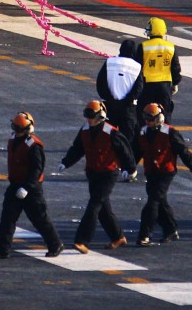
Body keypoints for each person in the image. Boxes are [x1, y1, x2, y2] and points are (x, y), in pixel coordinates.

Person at [57, 101, 136, 253]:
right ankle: (117, 237)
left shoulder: (111, 132)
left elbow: (125, 151)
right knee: (103, 209)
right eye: (86, 115)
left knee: (94, 205)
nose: (88, 119)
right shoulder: (85, 130)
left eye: (91, 115)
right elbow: (77, 149)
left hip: (108, 174)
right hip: (93, 173)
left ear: (100, 116)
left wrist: (130, 169)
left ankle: (82, 240)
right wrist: (66, 162)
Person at [0, 112, 64, 259]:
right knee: (7, 218)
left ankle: (55, 244)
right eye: (14, 128)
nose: (16, 131)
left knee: (39, 218)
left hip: (31, 189)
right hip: (16, 184)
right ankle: (2, 249)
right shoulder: (14, 139)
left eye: (19, 129)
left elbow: (37, 169)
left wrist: (27, 187)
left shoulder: (34, 146)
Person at [132, 103, 192, 247]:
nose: (148, 122)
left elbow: (182, 150)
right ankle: (171, 229)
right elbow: (137, 151)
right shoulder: (143, 132)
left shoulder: (170, 132)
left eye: (151, 118)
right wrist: (130, 167)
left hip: (165, 172)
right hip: (151, 171)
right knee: (160, 201)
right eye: (146, 118)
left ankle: (145, 235)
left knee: (152, 202)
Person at [96, 39, 144, 144]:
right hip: (128, 108)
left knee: (106, 137)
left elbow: (100, 83)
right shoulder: (137, 66)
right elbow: (139, 87)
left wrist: (109, 98)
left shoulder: (109, 62)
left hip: (109, 106)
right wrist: (129, 99)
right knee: (127, 140)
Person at [133, 18, 181, 122]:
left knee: (144, 114)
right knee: (165, 114)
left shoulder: (143, 46)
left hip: (147, 86)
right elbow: (175, 68)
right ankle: (165, 135)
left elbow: (137, 67)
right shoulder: (171, 47)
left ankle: (142, 135)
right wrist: (175, 83)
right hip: (165, 85)